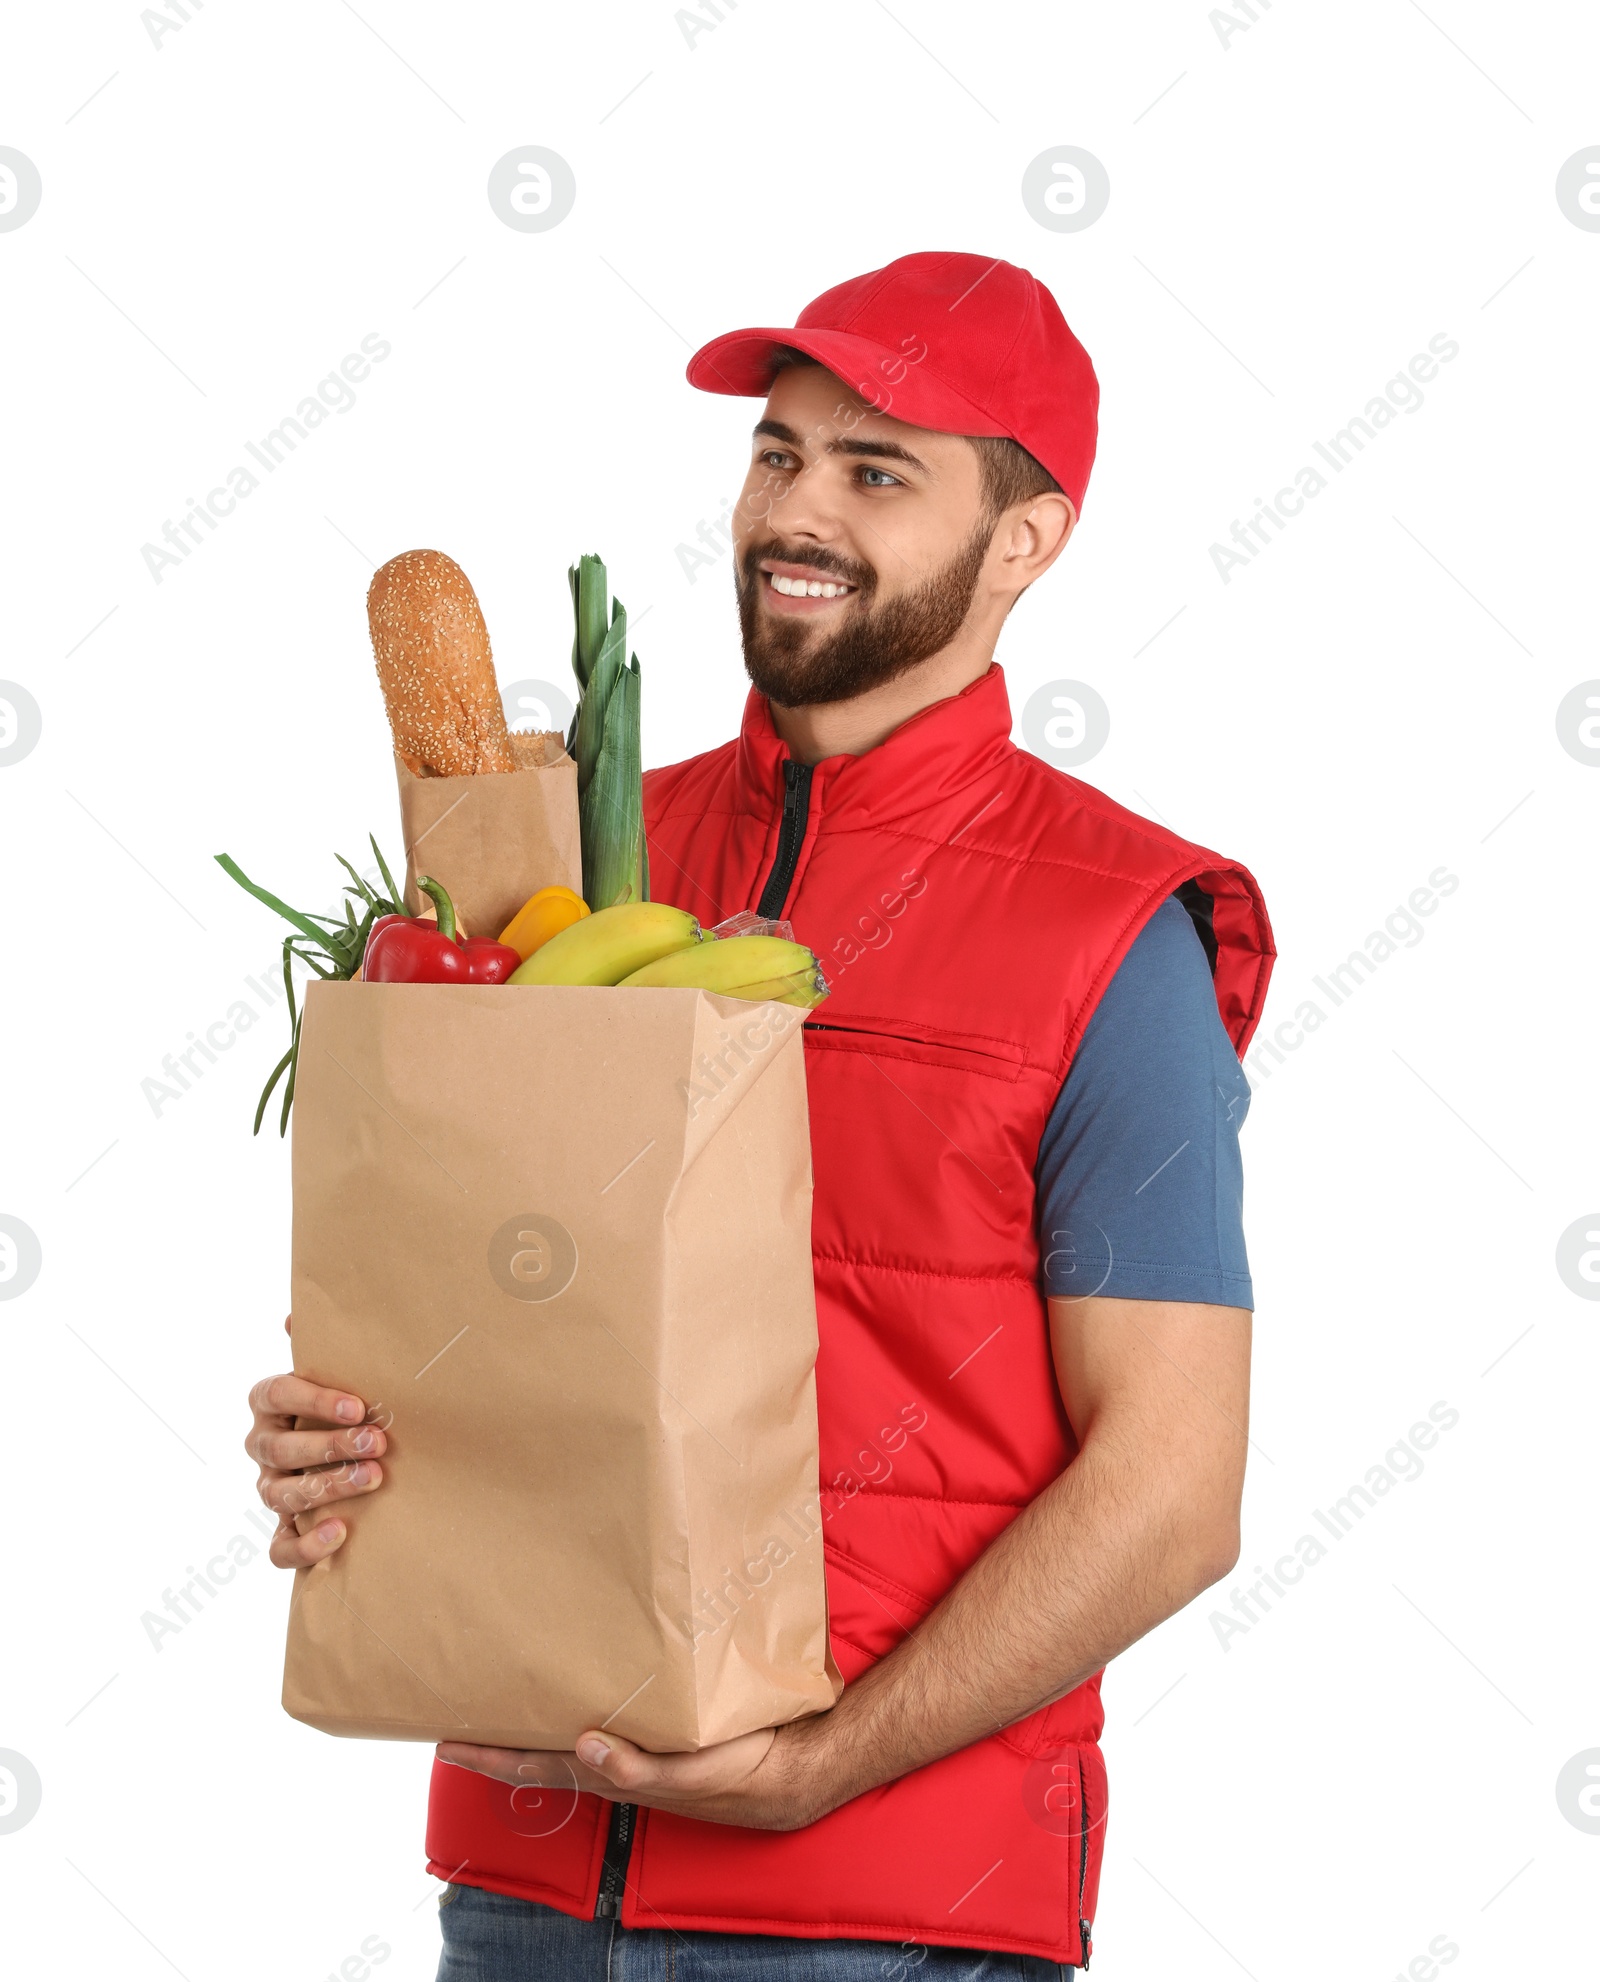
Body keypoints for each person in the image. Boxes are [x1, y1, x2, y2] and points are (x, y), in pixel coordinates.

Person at [246, 251, 1275, 1980]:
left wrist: (815, 1769)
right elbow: (475, 1295)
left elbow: (1172, 1487)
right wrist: (343, 1440)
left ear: (1028, 539)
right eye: (780, 453)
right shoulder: (563, 858)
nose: (798, 508)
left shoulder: (1111, 929)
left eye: (879, 472)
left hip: (883, 1915)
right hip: (524, 1882)